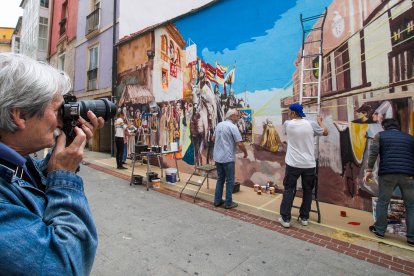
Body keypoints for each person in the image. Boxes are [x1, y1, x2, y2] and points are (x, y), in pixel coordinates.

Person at [0, 53, 105, 274]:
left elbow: (27, 184)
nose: (61, 119)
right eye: (57, 109)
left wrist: (62, 158)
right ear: (19, 115)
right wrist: (64, 178)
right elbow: (65, 265)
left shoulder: (16, 161)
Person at [364, 119, 414, 247]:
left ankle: (379, 230)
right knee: (411, 205)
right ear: (398, 127)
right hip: (408, 174)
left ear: (384, 127)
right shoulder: (410, 138)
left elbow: (373, 153)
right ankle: (411, 238)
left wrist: (369, 169)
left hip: (388, 173)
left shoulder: (380, 136)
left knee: (383, 201)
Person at [279, 103, 328, 228]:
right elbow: (325, 132)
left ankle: (285, 218)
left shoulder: (287, 124)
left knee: (289, 190)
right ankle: (304, 217)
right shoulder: (311, 124)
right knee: (307, 191)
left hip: (293, 163)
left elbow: (286, 132)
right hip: (309, 164)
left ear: (293, 113)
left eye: (290, 111)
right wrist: (320, 122)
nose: (288, 113)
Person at [213, 109, 248, 209]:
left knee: (220, 179)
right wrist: (245, 152)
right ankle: (228, 203)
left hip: (218, 157)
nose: (238, 118)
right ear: (232, 116)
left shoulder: (219, 125)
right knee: (230, 181)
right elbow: (239, 143)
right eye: (237, 116)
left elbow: (213, 139)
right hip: (228, 158)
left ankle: (217, 201)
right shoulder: (233, 127)